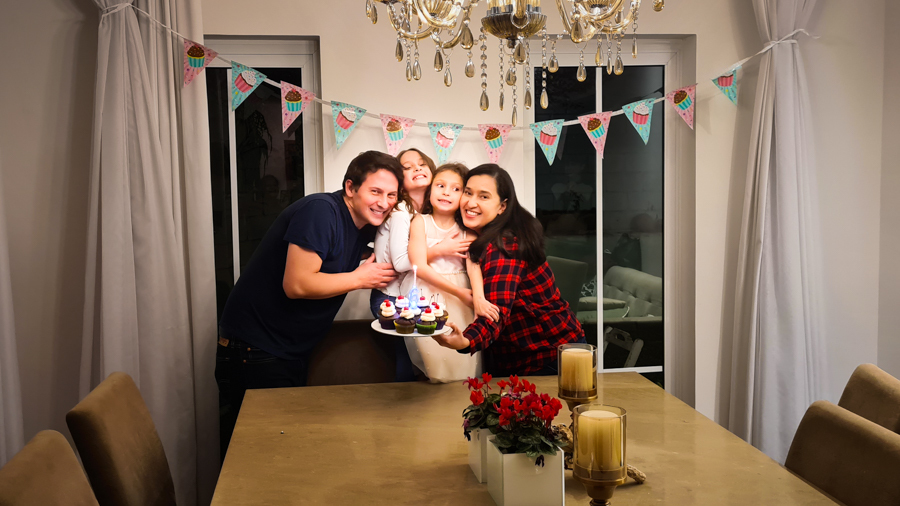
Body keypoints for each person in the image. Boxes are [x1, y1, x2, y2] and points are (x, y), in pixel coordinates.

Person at [216, 151, 402, 458]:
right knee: (256, 454)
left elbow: (405, 244)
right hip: (255, 347)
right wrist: (359, 278)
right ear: (350, 188)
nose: (384, 202)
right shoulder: (321, 211)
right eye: (376, 191)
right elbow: (297, 285)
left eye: (391, 195)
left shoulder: (364, 225)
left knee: (285, 451)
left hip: (289, 349)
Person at [432, 164, 584, 376]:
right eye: (468, 192)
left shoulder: (505, 247)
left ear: (502, 206)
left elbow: (495, 312)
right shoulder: (474, 233)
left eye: (484, 196)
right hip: (515, 354)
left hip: (548, 355)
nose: (471, 203)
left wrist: (464, 341)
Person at [405, 163, 500, 382]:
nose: (446, 192)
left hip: (461, 300)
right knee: (435, 359)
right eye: (440, 186)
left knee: (462, 360)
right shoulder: (420, 221)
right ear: (430, 191)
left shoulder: (467, 228)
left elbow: (473, 266)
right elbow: (418, 265)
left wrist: (478, 297)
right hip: (428, 294)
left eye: (456, 189)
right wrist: (459, 292)